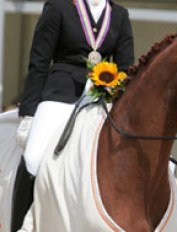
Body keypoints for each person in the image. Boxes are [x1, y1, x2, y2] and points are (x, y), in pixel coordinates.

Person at [11, 0, 134, 230]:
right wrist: (28, 114)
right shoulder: (59, 7)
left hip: (101, 99)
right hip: (60, 94)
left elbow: (126, 68)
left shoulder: (119, 15)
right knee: (34, 157)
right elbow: (38, 62)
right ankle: (20, 225)